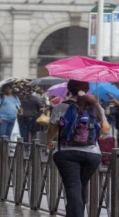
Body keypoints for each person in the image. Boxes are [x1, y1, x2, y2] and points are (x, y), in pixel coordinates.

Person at [47, 80, 110, 217]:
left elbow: (52, 129)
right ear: (87, 89)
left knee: (73, 185)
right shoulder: (96, 106)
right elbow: (105, 130)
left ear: (70, 89)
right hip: (93, 154)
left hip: (67, 153)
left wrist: (49, 141)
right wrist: (101, 114)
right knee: (81, 184)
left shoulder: (61, 106)